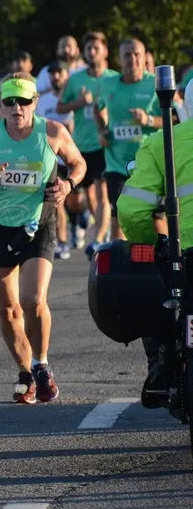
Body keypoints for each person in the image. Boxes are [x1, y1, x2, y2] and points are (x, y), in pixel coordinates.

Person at [0, 74, 86, 404]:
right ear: (0, 105)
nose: (16, 108)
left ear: (35, 102)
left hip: (39, 226)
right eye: (9, 101)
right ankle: (25, 373)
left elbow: (78, 163)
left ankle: (42, 363)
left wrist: (67, 185)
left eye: (23, 101)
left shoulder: (52, 133)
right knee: (7, 309)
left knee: (33, 300)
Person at [117, 101, 193, 408]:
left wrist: (152, 244)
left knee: (157, 291)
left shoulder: (164, 141)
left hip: (185, 254)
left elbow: (131, 209)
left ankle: (160, 365)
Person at [93, 39, 161, 242]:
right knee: (119, 216)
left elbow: (175, 119)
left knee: (155, 216)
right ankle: (118, 266)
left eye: (137, 54)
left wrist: (148, 119)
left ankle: (164, 262)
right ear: (119, 59)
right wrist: (102, 131)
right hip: (117, 163)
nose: (132, 59)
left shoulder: (154, 83)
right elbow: (98, 108)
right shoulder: (108, 84)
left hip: (148, 164)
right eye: (127, 55)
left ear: (144, 56)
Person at [57, 31, 119, 255]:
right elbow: (60, 108)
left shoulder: (114, 79)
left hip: (104, 145)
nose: (92, 52)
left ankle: (99, 239)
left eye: (96, 48)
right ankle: (83, 217)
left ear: (105, 51)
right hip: (80, 146)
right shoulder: (75, 78)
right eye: (88, 49)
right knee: (78, 199)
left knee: (102, 195)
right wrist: (79, 102)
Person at [35, 61, 76, 259]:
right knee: (57, 201)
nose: (56, 77)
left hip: (75, 155)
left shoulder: (76, 97)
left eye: (59, 72)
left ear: (67, 74)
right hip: (51, 158)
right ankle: (62, 241)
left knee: (78, 202)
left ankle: (78, 222)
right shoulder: (42, 100)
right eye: (52, 73)